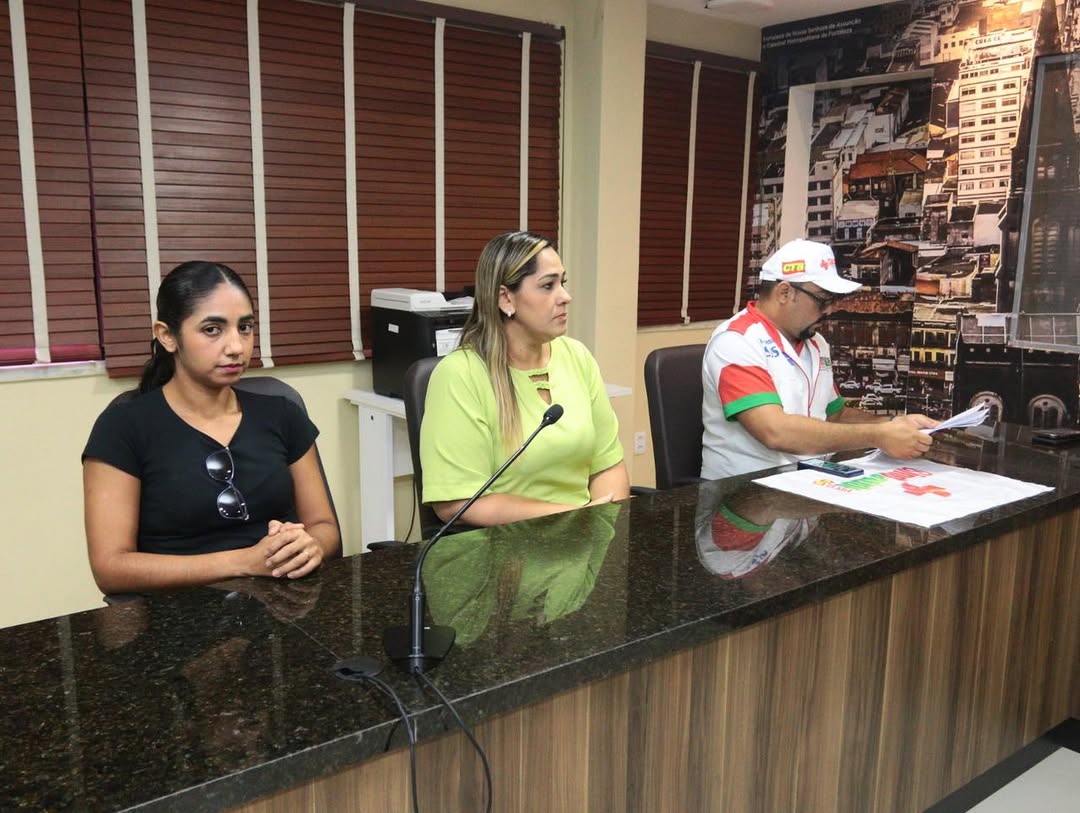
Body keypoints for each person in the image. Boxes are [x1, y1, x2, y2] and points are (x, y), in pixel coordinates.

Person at [82, 261, 339, 595]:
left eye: (245, 328)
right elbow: (111, 568)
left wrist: (311, 545)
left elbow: (324, 526)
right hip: (175, 613)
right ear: (167, 336)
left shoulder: (282, 413)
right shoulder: (123, 427)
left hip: (284, 605)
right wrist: (244, 562)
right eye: (212, 330)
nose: (236, 347)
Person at [421, 231, 629, 527]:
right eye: (548, 285)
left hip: (584, 540)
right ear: (506, 298)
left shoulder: (577, 357)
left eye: (563, 283)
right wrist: (574, 519)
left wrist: (603, 526)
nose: (565, 297)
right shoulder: (460, 375)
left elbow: (608, 465)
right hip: (504, 547)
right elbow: (457, 502)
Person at [701, 238, 938, 480]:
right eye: (823, 300)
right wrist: (878, 436)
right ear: (784, 292)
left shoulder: (816, 342)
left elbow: (835, 415)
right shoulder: (736, 341)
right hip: (745, 489)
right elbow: (775, 431)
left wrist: (893, 424)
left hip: (808, 480)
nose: (830, 310)